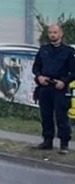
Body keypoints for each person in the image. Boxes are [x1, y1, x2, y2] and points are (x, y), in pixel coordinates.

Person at [31, 22, 74, 153]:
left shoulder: (69, 52)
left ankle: (64, 144)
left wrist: (64, 81)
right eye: (50, 32)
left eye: (55, 32)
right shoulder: (43, 50)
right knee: (46, 115)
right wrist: (39, 77)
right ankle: (47, 141)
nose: (52, 35)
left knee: (61, 116)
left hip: (60, 87)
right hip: (45, 87)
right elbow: (36, 67)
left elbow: (73, 71)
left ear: (61, 34)